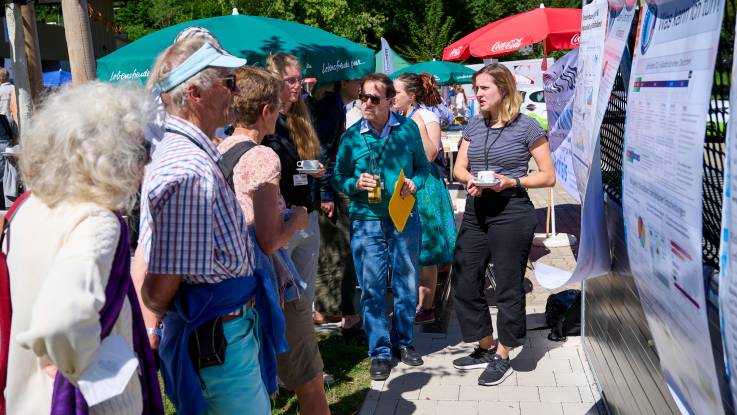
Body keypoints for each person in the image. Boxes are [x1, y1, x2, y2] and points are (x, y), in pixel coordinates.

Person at [140, 38, 284, 415]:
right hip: (219, 338)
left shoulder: (192, 154)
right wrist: (158, 314)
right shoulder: (189, 169)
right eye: (228, 82)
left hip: (224, 332)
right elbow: (159, 285)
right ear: (194, 93)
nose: (236, 92)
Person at [4, 82, 162, 414]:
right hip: (87, 401)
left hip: (26, 397)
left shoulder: (28, 207)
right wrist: (78, 363)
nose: (146, 163)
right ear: (113, 156)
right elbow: (60, 320)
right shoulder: (97, 222)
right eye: (142, 150)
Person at [451, 63, 555, 386]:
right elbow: (459, 168)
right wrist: (471, 181)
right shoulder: (473, 126)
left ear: (503, 89)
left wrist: (511, 181)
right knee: (465, 277)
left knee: (508, 286)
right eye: (476, 87)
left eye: (483, 88)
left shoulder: (527, 127)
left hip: (512, 210)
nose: (476, 94)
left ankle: (504, 353)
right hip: (477, 209)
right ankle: (485, 345)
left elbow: (548, 175)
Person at [333, 73, 430, 381]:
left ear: (390, 100)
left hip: (403, 217)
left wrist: (415, 183)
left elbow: (424, 168)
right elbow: (338, 177)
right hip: (366, 220)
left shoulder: (408, 129)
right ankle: (380, 351)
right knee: (372, 288)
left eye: (374, 98)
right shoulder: (351, 137)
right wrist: (353, 183)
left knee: (406, 283)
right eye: (362, 97)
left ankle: (404, 341)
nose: (366, 103)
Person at [263, 53, 330, 414]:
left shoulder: (302, 115)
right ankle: (273, 374)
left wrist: (319, 170)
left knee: (303, 301)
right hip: (284, 221)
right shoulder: (266, 120)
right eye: (290, 80)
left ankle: (305, 370)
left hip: (309, 216)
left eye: (299, 79)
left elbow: (314, 158)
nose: (297, 86)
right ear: (273, 82)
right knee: (277, 300)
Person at [393, 72, 457, 325]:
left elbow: (431, 153)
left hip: (425, 187)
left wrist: (417, 124)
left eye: (396, 92)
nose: (392, 97)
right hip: (403, 184)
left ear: (412, 95)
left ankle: (427, 306)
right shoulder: (396, 118)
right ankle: (411, 301)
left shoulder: (426, 116)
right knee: (407, 246)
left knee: (426, 249)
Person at [313, 77, 363, 333]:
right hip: (332, 187)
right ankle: (337, 311)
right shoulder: (331, 105)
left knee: (336, 249)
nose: (361, 84)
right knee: (339, 249)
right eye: (357, 79)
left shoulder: (336, 105)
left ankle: (331, 308)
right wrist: (326, 193)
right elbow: (322, 151)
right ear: (341, 81)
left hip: (333, 185)